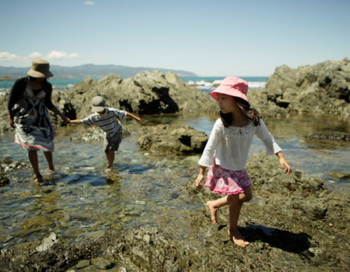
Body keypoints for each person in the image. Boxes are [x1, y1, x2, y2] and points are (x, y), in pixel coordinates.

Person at [194, 76, 291, 247]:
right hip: (223, 166)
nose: (219, 102)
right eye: (219, 98)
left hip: (238, 167)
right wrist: (202, 171)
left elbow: (268, 138)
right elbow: (209, 147)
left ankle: (214, 204)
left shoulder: (253, 121)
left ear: (237, 100)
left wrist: (281, 157)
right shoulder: (221, 123)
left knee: (246, 196)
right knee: (237, 199)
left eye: (224, 98)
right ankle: (233, 230)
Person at [8, 58, 70, 185]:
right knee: (32, 147)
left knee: (47, 143)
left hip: (42, 119)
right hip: (24, 119)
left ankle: (51, 166)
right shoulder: (21, 83)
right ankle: (37, 173)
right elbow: (10, 102)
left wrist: (61, 115)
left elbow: (48, 103)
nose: (43, 78)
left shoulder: (47, 85)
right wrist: (10, 118)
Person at [69, 96, 142, 172]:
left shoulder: (111, 111)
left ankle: (110, 166)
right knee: (106, 150)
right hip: (107, 133)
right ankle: (110, 162)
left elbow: (125, 113)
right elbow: (82, 121)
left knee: (111, 149)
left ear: (104, 106)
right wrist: (70, 121)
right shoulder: (94, 116)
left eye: (100, 109)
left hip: (117, 131)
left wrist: (136, 118)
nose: (99, 112)